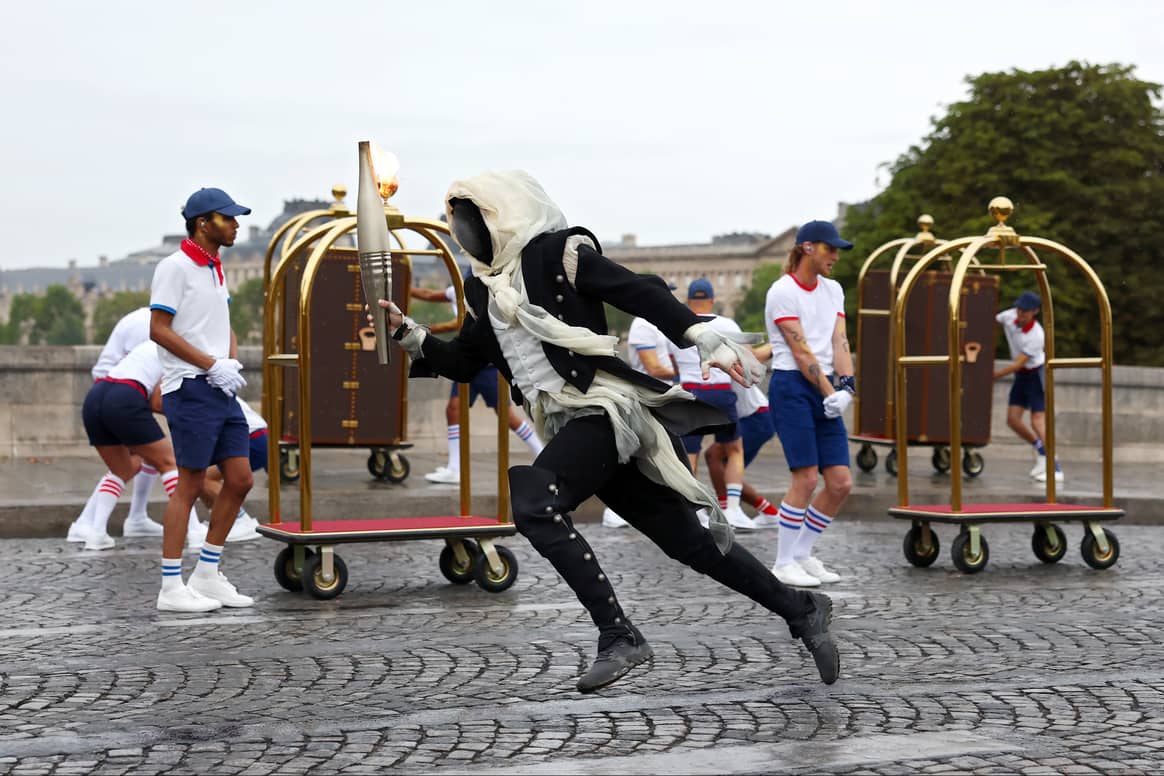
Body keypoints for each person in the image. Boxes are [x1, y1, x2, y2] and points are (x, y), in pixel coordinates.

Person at [378, 170, 838, 693]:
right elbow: (464, 361)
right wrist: (405, 331)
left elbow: (637, 292)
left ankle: (619, 635)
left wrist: (697, 333)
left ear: (502, 213)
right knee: (690, 543)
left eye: (469, 220)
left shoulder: (558, 253)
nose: (464, 233)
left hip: (605, 410)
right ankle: (802, 608)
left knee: (534, 501)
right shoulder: (482, 288)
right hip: (569, 424)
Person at [148, 187, 256, 613]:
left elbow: (221, 322)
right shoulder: (173, 267)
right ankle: (171, 586)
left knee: (241, 479)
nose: (236, 225)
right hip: (190, 387)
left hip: (217, 386)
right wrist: (211, 364)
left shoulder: (216, 268)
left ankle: (207, 575)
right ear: (202, 223)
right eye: (227, 218)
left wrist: (227, 362)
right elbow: (159, 329)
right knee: (190, 484)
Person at [764, 220, 855, 588]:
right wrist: (828, 391)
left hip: (824, 387)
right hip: (791, 386)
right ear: (806, 248)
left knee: (840, 483)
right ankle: (783, 561)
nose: (835, 256)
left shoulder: (833, 290)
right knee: (806, 477)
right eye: (829, 248)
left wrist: (847, 387)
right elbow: (801, 352)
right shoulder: (782, 291)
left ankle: (802, 553)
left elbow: (840, 343)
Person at [410, 283, 544, 484]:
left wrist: (417, 328)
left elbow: (452, 326)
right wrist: (403, 287)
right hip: (468, 360)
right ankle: (455, 467)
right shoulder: (461, 286)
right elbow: (427, 294)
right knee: (454, 409)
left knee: (506, 416)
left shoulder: (484, 288)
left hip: (484, 364)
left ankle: (541, 454)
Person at [75, 341, 191, 551]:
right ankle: (193, 530)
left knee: (124, 469)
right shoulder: (178, 348)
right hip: (126, 395)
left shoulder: (148, 345)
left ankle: (97, 533)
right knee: (168, 463)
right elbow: (157, 402)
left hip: (96, 396)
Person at [67, 307, 169, 542]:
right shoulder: (153, 325)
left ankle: (128, 518)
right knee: (153, 459)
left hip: (113, 388)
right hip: (123, 391)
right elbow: (153, 373)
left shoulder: (140, 318)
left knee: (137, 462)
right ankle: (90, 522)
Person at [667, 279, 757, 531]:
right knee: (734, 450)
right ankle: (733, 508)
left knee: (690, 453)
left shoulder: (676, 324)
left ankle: (693, 510)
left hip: (690, 391)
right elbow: (744, 357)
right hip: (720, 390)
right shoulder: (728, 324)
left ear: (688, 301)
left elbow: (673, 363)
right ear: (713, 299)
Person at [602, 310, 677, 528]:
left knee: (655, 455)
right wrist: (684, 372)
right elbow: (652, 367)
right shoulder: (644, 325)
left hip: (657, 397)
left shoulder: (653, 324)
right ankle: (615, 511)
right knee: (640, 456)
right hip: (650, 398)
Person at [994, 290, 1062, 482]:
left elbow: (1018, 363)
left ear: (1035, 312)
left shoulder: (1037, 335)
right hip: (1021, 376)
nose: (1020, 314)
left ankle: (1054, 466)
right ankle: (1040, 450)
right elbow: (991, 322)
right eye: (1019, 309)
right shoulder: (1009, 317)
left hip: (1035, 374)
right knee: (1012, 420)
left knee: (1037, 420)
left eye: (1025, 311)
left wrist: (994, 375)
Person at [703, 368, 783, 528]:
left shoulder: (718, 358)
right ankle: (769, 513)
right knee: (725, 468)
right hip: (756, 416)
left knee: (714, 456)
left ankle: (726, 511)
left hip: (756, 417)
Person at [199, 396, 267, 542]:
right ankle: (221, 521)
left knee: (202, 478)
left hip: (252, 438)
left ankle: (239, 520)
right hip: (256, 437)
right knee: (202, 478)